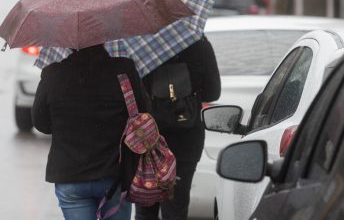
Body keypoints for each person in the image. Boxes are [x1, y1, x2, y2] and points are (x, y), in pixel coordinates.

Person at [32, 44, 145, 220]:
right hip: (115, 175)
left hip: (71, 175)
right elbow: (143, 112)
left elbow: (41, 123)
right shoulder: (124, 70)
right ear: (104, 39)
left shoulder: (53, 74)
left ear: (69, 44)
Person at [135, 35, 221, 220]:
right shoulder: (197, 43)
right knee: (176, 206)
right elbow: (213, 91)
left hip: (149, 138)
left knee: (145, 209)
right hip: (186, 138)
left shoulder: (140, 45)